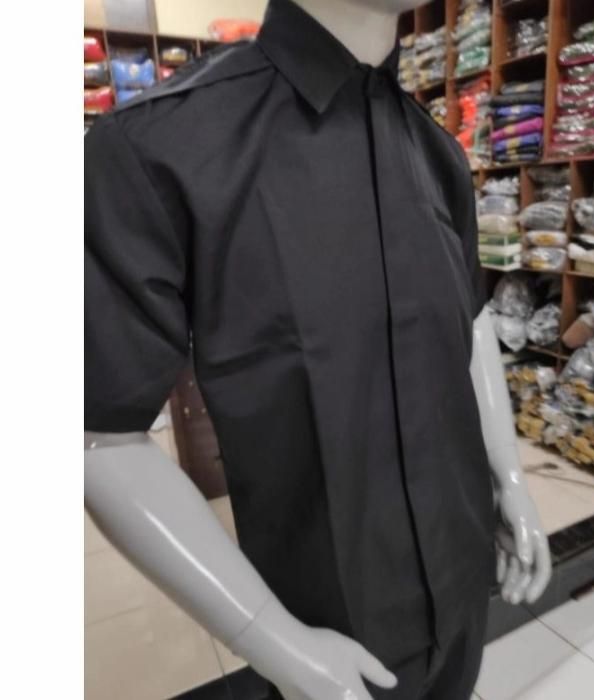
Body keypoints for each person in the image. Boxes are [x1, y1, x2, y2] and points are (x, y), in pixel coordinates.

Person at [84, 1, 552, 698]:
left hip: (464, 588)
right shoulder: (155, 146)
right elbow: (98, 434)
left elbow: (473, 320)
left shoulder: (440, 154)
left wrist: (509, 479)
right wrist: (273, 639)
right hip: (329, 623)